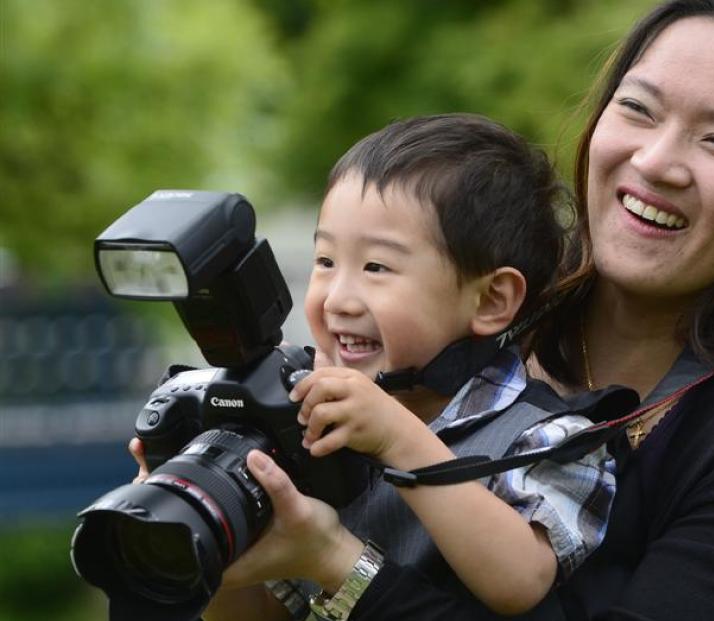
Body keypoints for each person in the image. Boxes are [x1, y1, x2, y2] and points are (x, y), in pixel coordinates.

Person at [131, 0, 714, 618]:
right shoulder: (458, 320)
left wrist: (338, 565)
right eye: (638, 109)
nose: (655, 161)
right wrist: (222, 525)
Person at [132, 113, 623, 619]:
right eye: (325, 261)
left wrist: (397, 438)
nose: (338, 298)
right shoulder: (303, 428)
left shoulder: (545, 440)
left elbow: (521, 580)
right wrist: (206, 529)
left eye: (376, 267)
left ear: (491, 300)